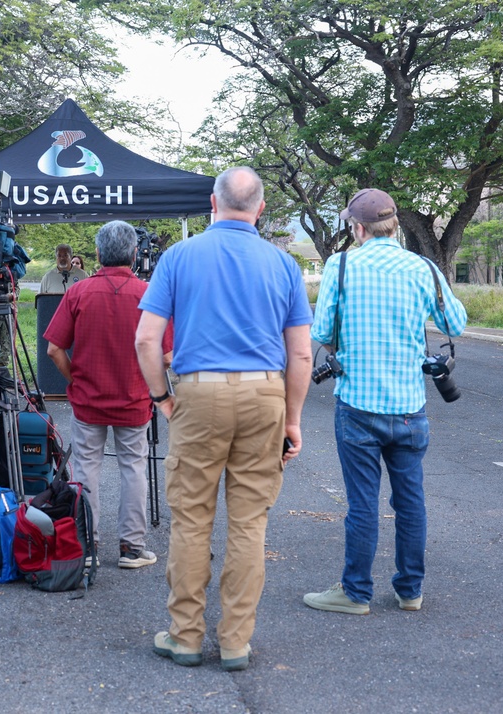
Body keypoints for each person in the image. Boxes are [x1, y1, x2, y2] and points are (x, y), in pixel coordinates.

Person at [135, 166, 313, 672]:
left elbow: (147, 340)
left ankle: (185, 635)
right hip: (264, 396)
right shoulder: (283, 265)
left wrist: (161, 398)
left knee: (191, 519)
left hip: (199, 394)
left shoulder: (179, 256)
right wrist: (292, 419)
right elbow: (299, 356)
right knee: (249, 523)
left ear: (212, 205)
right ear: (260, 210)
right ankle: (236, 641)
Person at [303, 188, 467, 616]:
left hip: (357, 405)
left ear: (357, 228)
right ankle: (410, 591)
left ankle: (355, 593)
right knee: (410, 502)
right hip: (409, 407)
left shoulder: (340, 266)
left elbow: (320, 332)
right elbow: (456, 323)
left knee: (362, 504)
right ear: (393, 224)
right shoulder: (423, 268)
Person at [44, 221, 170, 569]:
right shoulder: (149, 294)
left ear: (97, 254)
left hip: (88, 400)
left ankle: (87, 545)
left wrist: (75, 380)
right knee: (134, 468)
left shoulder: (78, 292)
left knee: (85, 470)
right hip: (134, 399)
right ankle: (132, 547)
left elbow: (55, 349)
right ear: (134, 254)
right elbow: (169, 354)